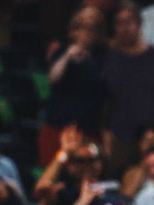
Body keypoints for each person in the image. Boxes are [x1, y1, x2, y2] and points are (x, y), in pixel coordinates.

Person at [101, 1, 154, 175]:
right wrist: (106, 135)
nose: (125, 28)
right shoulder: (109, 59)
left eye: (129, 22)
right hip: (119, 138)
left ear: (139, 24)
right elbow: (102, 100)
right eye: (119, 23)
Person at [35, 128, 124, 205]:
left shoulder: (114, 191)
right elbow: (42, 188)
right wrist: (64, 152)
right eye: (80, 161)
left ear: (100, 163)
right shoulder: (63, 194)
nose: (87, 166)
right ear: (70, 166)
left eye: (92, 160)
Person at [42, 6, 106, 164]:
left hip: (88, 128)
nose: (86, 33)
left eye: (93, 28)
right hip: (58, 126)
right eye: (82, 27)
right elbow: (53, 78)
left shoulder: (103, 56)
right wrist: (68, 56)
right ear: (74, 30)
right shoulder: (62, 51)